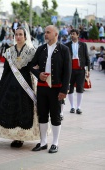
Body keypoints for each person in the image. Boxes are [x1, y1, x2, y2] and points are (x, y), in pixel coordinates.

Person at [0, 27, 40, 148]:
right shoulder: (9, 51)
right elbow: (6, 70)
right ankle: (14, 136)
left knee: (22, 109)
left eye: (20, 34)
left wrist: (41, 77)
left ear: (25, 36)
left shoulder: (31, 51)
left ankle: (20, 137)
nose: (18, 37)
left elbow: (33, 69)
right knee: (10, 109)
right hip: (9, 83)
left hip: (25, 84)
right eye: (16, 34)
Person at [31, 25, 71, 153]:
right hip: (42, 88)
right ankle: (43, 142)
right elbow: (31, 66)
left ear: (56, 34)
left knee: (55, 115)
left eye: (48, 32)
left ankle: (55, 142)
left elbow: (67, 72)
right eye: (45, 32)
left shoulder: (63, 50)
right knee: (42, 115)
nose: (45, 34)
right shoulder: (41, 49)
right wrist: (39, 74)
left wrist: (64, 90)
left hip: (56, 88)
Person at [65, 29, 90, 114]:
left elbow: (87, 58)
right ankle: (72, 107)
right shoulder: (66, 45)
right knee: (70, 88)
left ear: (78, 35)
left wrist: (88, 70)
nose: (72, 35)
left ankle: (78, 107)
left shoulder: (83, 45)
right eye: (71, 34)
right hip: (70, 70)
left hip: (80, 69)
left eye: (74, 34)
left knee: (80, 88)